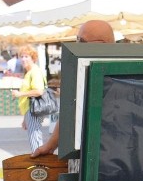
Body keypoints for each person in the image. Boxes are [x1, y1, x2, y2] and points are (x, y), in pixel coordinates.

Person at [30, 20, 115, 157]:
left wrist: (50, 145)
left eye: (81, 40)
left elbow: (70, 109)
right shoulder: (81, 69)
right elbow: (69, 111)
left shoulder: (83, 69)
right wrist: (50, 145)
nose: (77, 45)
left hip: (102, 155)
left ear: (100, 44)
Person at [10, 45, 46, 152]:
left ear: (33, 58)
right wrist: (25, 118)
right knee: (34, 137)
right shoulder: (29, 72)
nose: (23, 59)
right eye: (22, 56)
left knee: (35, 139)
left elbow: (39, 91)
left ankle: (39, 164)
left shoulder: (35, 71)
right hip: (30, 111)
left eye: (27, 56)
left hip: (34, 110)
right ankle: (39, 163)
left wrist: (19, 94)